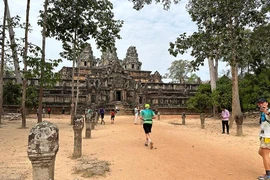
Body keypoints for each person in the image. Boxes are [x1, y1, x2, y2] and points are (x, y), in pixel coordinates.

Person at [257, 98, 270, 180]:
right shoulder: (261, 113)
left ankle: (268, 174)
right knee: (260, 152)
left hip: (267, 137)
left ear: (267, 103)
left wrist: (267, 112)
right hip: (263, 136)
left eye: (262, 103)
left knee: (265, 154)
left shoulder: (268, 111)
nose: (261, 104)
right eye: (259, 103)